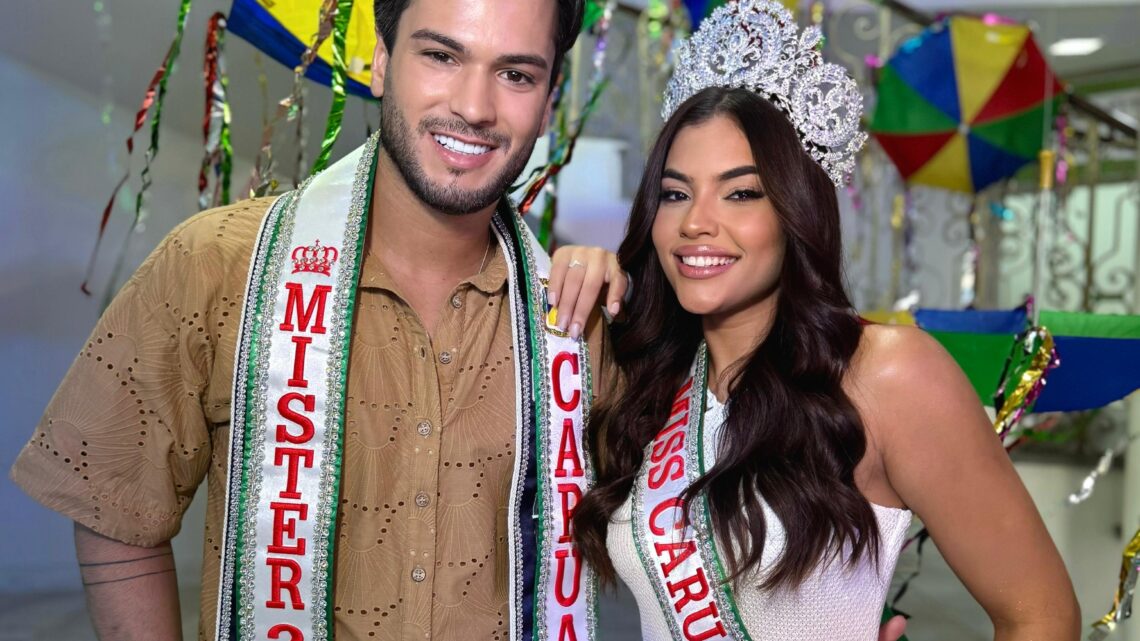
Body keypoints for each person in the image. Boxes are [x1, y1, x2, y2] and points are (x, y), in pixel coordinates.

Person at [10, 0, 625, 639]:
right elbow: (116, 511)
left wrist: (650, 291)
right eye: (441, 55)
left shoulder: (577, 315)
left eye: (516, 74)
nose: (474, 106)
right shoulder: (217, 263)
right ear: (381, 63)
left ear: (550, 100)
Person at [572, 1, 1080, 639]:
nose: (695, 222)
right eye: (675, 193)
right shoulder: (646, 375)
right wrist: (577, 273)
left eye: (741, 192)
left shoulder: (888, 373)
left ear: (794, 211)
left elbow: (1042, 615)